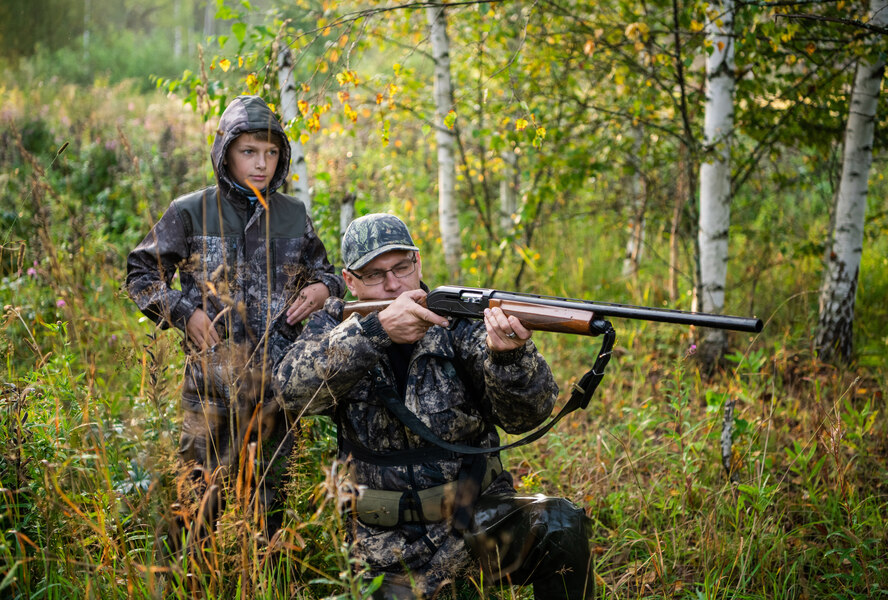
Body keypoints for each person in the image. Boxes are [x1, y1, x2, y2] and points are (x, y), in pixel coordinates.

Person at [274, 213, 594, 599]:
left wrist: (509, 359)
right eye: (375, 275)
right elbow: (290, 391)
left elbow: (528, 415)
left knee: (561, 523)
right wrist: (375, 333)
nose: (393, 284)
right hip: (383, 549)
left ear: (418, 262)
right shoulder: (334, 326)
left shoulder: (462, 320)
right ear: (350, 282)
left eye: (401, 267)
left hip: (478, 525)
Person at [126, 95, 345, 555]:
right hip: (209, 394)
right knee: (195, 511)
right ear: (225, 152)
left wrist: (323, 289)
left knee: (269, 520)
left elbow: (327, 275)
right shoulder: (190, 211)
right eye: (249, 152)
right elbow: (141, 274)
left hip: (276, 396)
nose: (261, 164)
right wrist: (186, 313)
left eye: (271, 153)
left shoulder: (292, 215)